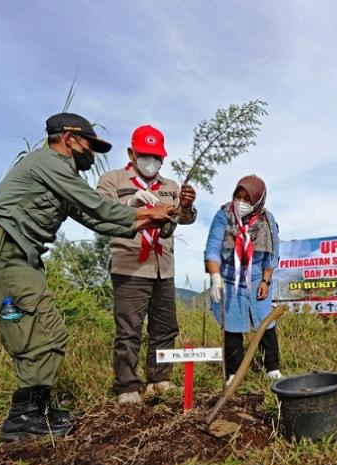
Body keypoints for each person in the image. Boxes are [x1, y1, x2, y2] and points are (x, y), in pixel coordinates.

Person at [0, 113, 173, 441]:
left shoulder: (60, 174)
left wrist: (148, 219)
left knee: (50, 333)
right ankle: (24, 419)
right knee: (34, 334)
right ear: (69, 138)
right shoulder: (51, 163)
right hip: (1, 256)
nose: (93, 153)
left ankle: (38, 409)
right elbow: (97, 206)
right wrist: (145, 211)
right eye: (90, 144)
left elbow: (98, 222)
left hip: (16, 258)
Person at [96, 125, 197, 404]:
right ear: (131, 152)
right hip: (129, 266)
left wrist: (186, 205)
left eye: (157, 156)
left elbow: (184, 218)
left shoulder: (170, 187)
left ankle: (159, 378)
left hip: (163, 266)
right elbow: (99, 212)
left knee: (165, 327)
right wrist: (131, 202)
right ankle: (127, 386)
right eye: (145, 155)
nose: (151, 162)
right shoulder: (112, 180)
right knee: (129, 328)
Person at [205, 175, 282, 384]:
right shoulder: (224, 216)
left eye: (247, 199)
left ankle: (272, 368)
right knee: (232, 325)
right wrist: (215, 276)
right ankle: (234, 373)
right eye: (237, 196)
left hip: (257, 278)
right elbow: (212, 250)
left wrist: (265, 281)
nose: (241, 202)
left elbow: (272, 255)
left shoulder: (267, 220)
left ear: (258, 200)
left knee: (266, 322)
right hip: (229, 279)